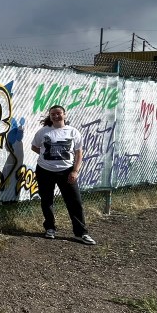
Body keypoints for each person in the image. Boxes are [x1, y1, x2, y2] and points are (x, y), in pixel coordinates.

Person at [30, 105, 96, 245]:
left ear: (64, 115)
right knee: (46, 201)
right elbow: (35, 147)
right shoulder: (43, 132)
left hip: (66, 172)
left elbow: (79, 153)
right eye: (52, 114)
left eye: (58, 113)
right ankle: (50, 228)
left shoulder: (73, 132)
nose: (56, 116)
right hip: (44, 171)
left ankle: (81, 233)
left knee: (75, 202)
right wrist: (48, 156)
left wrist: (75, 171)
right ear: (50, 116)